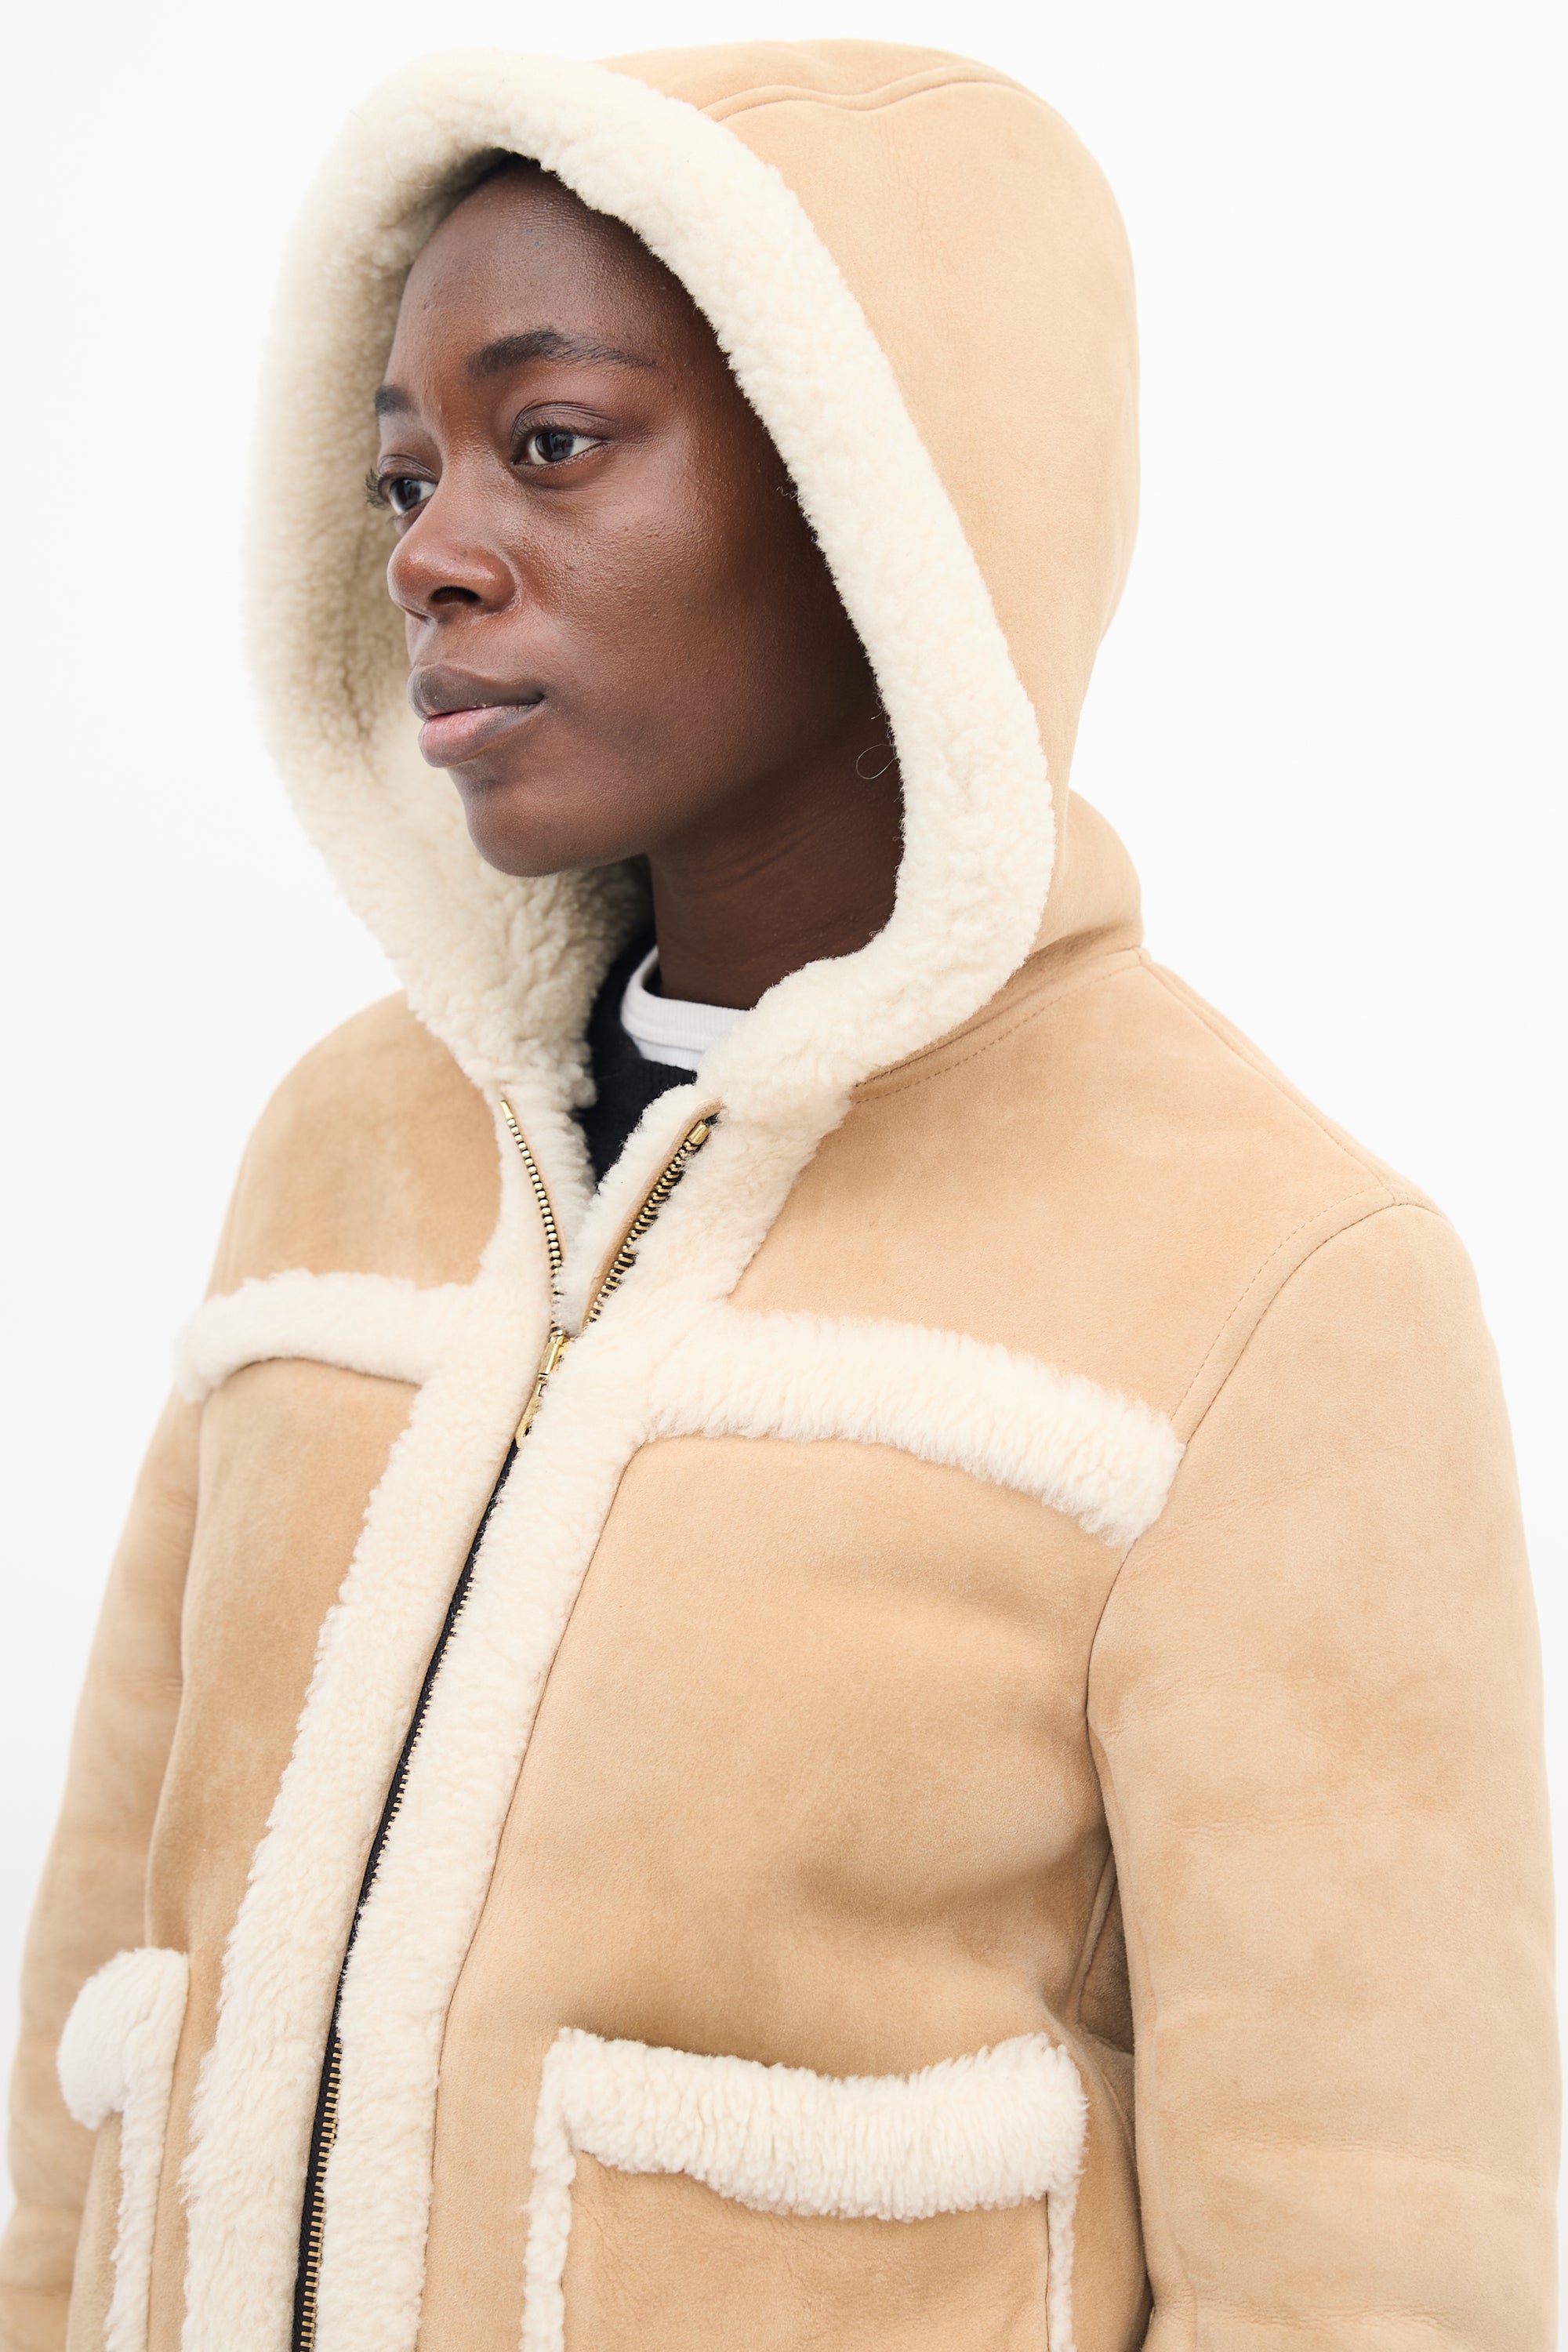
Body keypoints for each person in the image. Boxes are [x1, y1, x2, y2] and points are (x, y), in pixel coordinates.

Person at [1, 39, 1555, 2352]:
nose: (429, 551)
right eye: (403, 473)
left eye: (552, 440)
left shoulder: (1272, 1278)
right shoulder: (342, 1144)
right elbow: (99, 2028)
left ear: (883, 486)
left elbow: (1375, 2266)